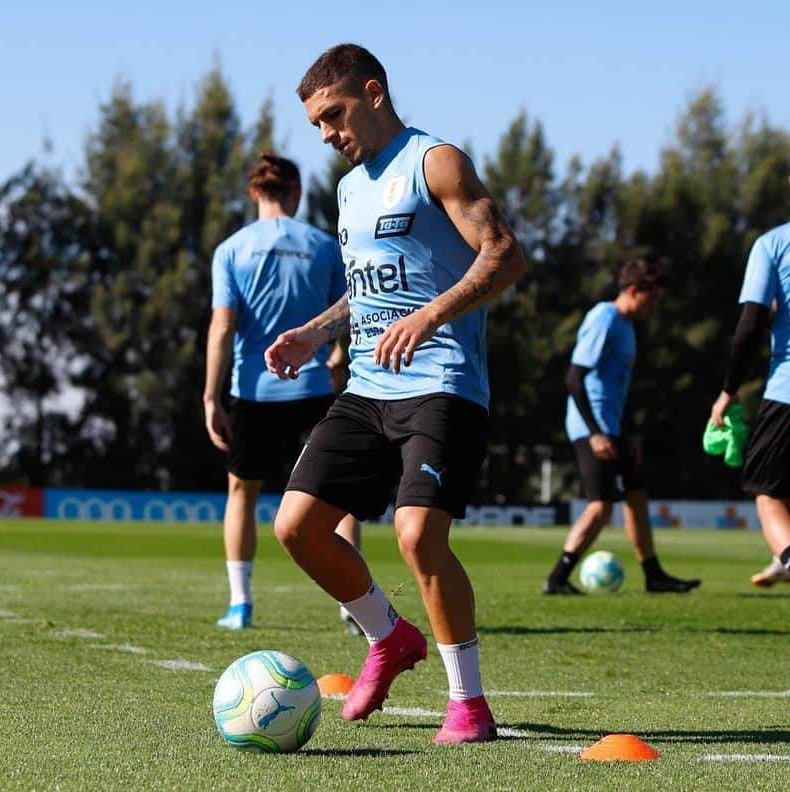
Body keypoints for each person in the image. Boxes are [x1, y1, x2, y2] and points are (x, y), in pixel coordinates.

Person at [265, 44, 526, 744]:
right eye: (316, 124)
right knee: (296, 526)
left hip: (442, 381)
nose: (326, 135)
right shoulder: (350, 189)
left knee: (416, 535)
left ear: (373, 93)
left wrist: (431, 314)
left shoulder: (434, 161)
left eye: (333, 115)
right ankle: (389, 637)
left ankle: (468, 704)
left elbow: (504, 253)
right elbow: (366, 286)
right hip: (369, 387)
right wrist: (314, 333)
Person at [204, 152, 361, 631]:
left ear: (254, 192)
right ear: (296, 193)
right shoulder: (323, 245)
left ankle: (240, 604)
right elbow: (352, 309)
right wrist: (339, 358)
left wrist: (211, 397)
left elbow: (221, 330)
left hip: (253, 392)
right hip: (313, 388)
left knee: (242, 494)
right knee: (338, 495)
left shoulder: (232, 249)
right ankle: (353, 603)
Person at [543, 259, 701, 595]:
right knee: (601, 505)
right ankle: (558, 577)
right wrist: (597, 433)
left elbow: (622, 389)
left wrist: (632, 436)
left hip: (614, 427)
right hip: (592, 426)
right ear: (633, 290)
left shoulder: (628, 328)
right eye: (652, 298)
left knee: (637, 497)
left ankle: (653, 575)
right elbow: (574, 378)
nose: (655, 306)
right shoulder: (604, 317)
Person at [710, 208, 790, 588]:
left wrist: (728, 390)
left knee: (767, 492)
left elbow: (751, 324)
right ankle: (781, 558)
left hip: (787, 390)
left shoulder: (773, 244)